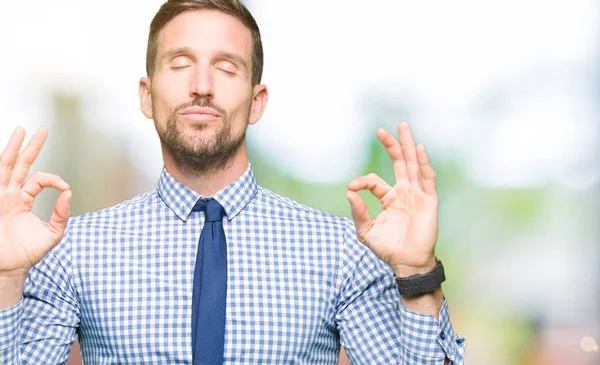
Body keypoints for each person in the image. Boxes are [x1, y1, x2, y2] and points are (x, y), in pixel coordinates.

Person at [0, 0, 465, 364]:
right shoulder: (74, 251)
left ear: (257, 100)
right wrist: (4, 279)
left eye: (226, 67)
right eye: (180, 63)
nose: (202, 84)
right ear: (147, 95)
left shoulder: (342, 251)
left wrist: (416, 275)